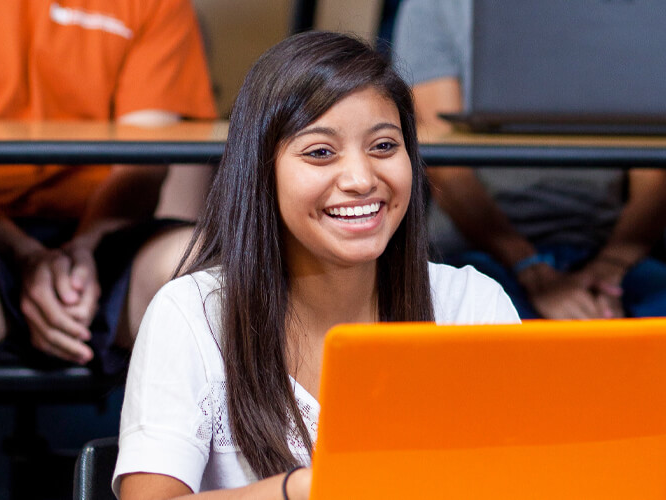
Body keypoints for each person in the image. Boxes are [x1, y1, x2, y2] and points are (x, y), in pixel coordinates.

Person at [112, 30, 520, 500]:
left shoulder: (472, 304)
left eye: (384, 146)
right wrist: (306, 488)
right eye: (320, 153)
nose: (361, 179)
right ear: (262, 170)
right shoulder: (191, 313)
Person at [0, 0, 216, 497]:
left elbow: (144, 159)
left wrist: (86, 249)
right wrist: (24, 253)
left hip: (109, 233)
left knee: (214, 276)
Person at [393, 0, 666, 320]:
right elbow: (444, 164)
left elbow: (654, 171)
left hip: (613, 245)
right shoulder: (437, 6)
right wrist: (531, 270)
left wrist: (611, 267)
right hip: (475, 245)